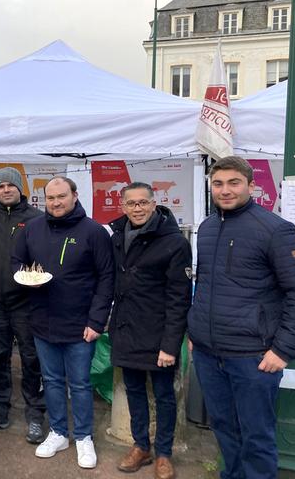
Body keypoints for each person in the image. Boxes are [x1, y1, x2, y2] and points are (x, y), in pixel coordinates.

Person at [188, 156, 295, 479]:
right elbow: (204, 284)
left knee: (256, 436)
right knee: (223, 428)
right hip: (208, 353)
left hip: (253, 358)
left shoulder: (275, 229)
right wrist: (195, 333)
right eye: (218, 183)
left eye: (234, 183)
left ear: (251, 185)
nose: (225, 190)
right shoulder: (206, 228)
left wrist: (283, 350)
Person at [12, 176, 114, 469]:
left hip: (81, 324)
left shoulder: (94, 232)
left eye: (61, 197)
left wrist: (97, 321)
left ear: (74, 195)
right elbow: (16, 262)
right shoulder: (32, 229)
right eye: (50, 198)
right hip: (43, 320)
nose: (56, 203)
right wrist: (25, 277)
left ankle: (83, 436)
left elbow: (107, 279)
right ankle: (58, 432)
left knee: (80, 384)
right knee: (52, 381)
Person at [108, 182, 192, 479]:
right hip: (126, 329)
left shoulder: (175, 242)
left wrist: (170, 345)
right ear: (123, 206)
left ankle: (164, 453)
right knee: (133, 391)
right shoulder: (117, 235)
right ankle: (141, 446)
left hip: (158, 335)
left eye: (143, 203)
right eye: (131, 203)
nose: (138, 208)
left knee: (164, 395)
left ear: (154, 205)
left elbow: (179, 298)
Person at [0, 167, 46, 443]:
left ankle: (35, 414)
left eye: (10, 186)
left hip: (26, 304)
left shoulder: (37, 219)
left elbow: (45, 259)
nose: (5, 190)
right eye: (1, 186)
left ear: (20, 189)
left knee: (31, 359)